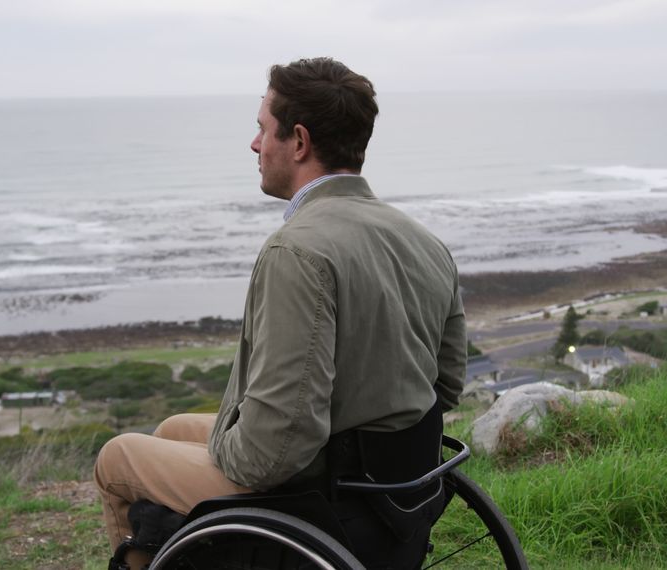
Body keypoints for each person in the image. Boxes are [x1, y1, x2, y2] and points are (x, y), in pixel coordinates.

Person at [94, 57, 466, 567]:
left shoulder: (297, 252)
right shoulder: (424, 242)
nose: (254, 145)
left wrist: (226, 442)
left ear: (298, 141)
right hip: (393, 490)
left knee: (118, 457)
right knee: (174, 430)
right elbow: (445, 386)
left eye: (261, 129)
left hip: (324, 496)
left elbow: (276, 449)